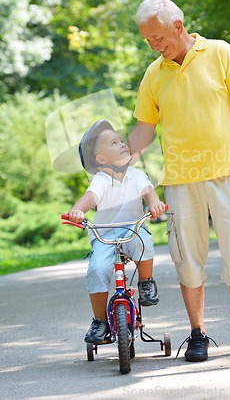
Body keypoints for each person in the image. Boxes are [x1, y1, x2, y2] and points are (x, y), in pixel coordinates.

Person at [128, 0, 230, 361]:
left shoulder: (222, 53)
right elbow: (143, 131)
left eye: (157, 37)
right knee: (186, 259)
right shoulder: (153, 74)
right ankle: (198, 333)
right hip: (179, 181)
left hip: (227, 174)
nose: (153, 45)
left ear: (178, 26)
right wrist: (116, 164)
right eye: (147, 40)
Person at [68, 119, 165, 345]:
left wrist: (155, 204)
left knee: (143, 242)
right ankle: (100, 321)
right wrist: (77, 210)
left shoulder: (137, 174)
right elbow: (90, 197)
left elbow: (149, 193)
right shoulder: (101, 180)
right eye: (114, 143)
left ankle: (146, 282)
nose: (123, 144)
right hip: (105, 233)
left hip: (133, 227)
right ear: (101, 160)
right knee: (97, 269)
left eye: (122, 140)